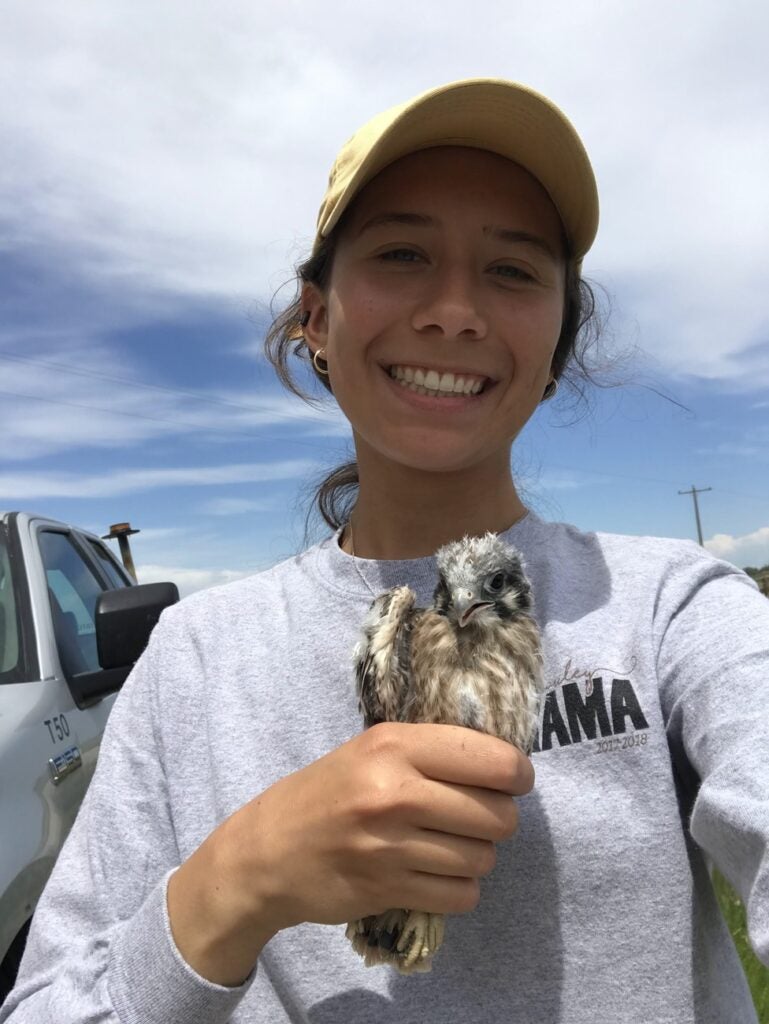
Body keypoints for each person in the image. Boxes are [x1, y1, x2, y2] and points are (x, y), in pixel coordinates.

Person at [2, 79, 768, 1024]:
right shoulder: (194, 657)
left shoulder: (672, 607)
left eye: (513, 271)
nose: (453, 312)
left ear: (558, 333)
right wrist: (235, 882)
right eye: (402, 254)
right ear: (315, 321)